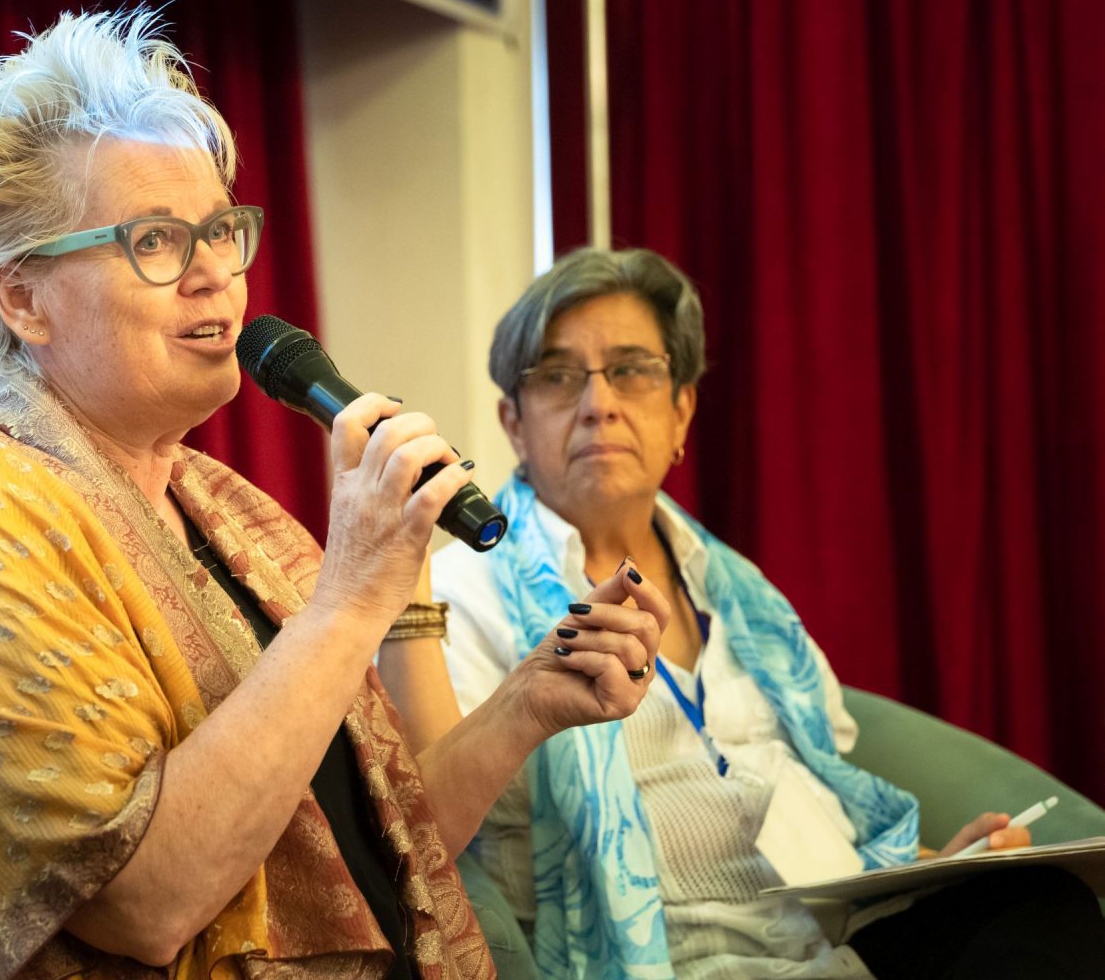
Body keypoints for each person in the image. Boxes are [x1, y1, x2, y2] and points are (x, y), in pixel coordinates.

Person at [0, 13, 666, 980]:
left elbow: (376, 850)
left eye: (222, 231)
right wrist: (355, 593)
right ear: (24, 299)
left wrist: (528, 701)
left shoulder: (223, 507)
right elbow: (146, 907)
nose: (216, 275)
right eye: (156, 240)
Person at [391, 247, 1105, 979]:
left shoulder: (740, 594)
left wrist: (934, 867)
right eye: (558, 375)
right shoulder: (459, 595)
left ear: (681, 412)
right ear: (513, 423)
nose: (599, 403)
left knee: (1045, 906)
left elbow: (811, 791)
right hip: (667, 964)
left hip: (831, 950)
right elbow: (422, 830)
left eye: (631, 369)